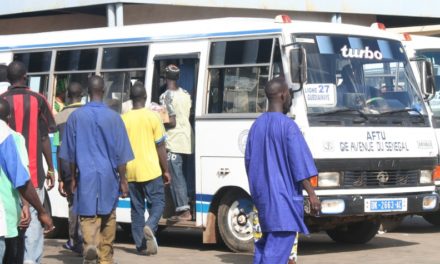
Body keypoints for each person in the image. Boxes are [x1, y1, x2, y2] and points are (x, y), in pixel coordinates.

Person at [245, 78, 321, 264]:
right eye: (289, 94)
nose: (289, 99)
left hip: (263, 201)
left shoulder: (256, 126)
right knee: (275, 255)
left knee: (264, 251)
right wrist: (312, 194)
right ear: (282, 95)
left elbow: (249, 162)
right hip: (283, 205)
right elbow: (300, 166)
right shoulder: (288, 127)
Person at [59, 75, 134, 264]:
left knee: (86, 215)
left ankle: (90, 244)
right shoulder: (115, 118)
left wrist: (73, 178)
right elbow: (122, 155)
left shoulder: (75, 117)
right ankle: (105, 258)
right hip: (109, 176)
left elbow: (71, 153)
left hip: (85, 175)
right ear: (104, 91)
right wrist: (123, 180)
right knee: (108, 217)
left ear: (87, 92)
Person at [1, 61, 57, 264]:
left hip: (6, 179)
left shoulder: (2, 100)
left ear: (7, 79)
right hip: (33, 173)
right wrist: (51, 168)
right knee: (33, 223)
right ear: (25, 76)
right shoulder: (38, 99)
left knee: (12, 222)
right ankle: (30, 260)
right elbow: (45, 136)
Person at [122, 82, 171, 255]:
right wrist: (166, 169)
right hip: (151, 169)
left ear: (131, 98)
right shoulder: (153, 117)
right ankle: (150, 226)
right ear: (145, 98)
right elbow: (160, 146)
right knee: (158, 202)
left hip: (131, 171)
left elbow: (119, 149)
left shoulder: (124, 118)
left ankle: (141, 246)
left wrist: (122, 177)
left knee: (136, 210)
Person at [160, 64, 194, 221]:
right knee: (183, 175)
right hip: (186, 139)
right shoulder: (186, 94)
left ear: (165, 78)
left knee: (175, 175)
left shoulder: (165, 96)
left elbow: (171, 122)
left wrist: (157, 119)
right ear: (178, 77)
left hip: (174, 140)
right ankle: (185, 204)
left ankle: (183, 210)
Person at [54, 82, 84, 254]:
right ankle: (87, 239)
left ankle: (74, 240)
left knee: (73, 203)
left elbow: (59, 147)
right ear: (82, 94)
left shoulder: (59, 118)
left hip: (66, 167)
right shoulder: (87, 113)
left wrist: (59, 177)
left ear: (66, 95)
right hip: (86, 165)